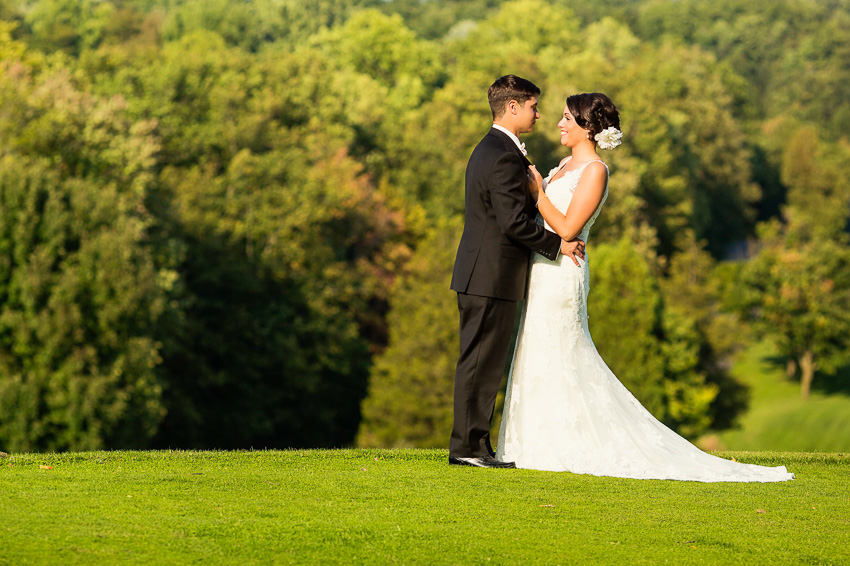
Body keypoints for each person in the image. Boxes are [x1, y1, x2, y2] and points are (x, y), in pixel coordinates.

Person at [496, 92, 794, 482]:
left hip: (563, 272)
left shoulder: (595, 172)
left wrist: (538, 193)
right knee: (535, 348)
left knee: (561, 351)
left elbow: (568, 227)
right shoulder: (565, 165)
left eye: (567, 118)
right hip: (542, 269)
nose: (559, 124)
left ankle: (565, 443)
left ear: (588, 127)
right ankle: (529, 442)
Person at [449, 75, 586, 468]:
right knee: (480, 363)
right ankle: (468, 449)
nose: (539, 114)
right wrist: (557, 245)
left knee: (482, 362)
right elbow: (512, 222)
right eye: (533, 106)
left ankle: (475, 445)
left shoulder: (493, 148)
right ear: (512, 107)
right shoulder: (502, 154)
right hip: (489, 275)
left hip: (485, 274)